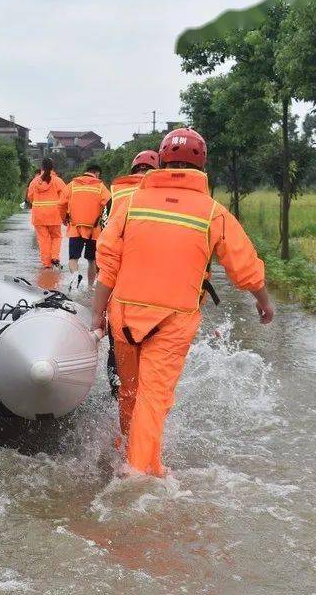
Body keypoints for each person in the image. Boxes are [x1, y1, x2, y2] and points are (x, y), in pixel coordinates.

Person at [92, 128, 274, 477]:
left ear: (161, 161)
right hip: (173, 321)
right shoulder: (213, 213)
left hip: (125, 315)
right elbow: (245, 267)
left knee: (130, 390)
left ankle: (128, 448)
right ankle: (139, 473)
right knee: (153, 397)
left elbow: (107, 267)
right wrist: (264, 302)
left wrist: (96, 317)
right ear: (203, 164)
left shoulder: (128, 204)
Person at [103, 150, 159, 397]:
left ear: (133, 168)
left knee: (118, 337)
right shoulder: (165, 195)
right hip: (156, 282)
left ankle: (118, 387)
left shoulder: (115, 195)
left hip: (119, 281)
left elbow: (103, 241)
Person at [58, 162, 111, 289]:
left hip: (75, 229)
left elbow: (60, 204)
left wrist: (64, 218)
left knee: (73, 259)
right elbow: (110, 204)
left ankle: (75, 277)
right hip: (94, 231)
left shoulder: (72, 185)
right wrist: (106, 223)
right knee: (92, 260)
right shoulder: (100, 187)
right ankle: (90, 287)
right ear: (96, 173)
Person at [26, 158, 67, 269]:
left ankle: (46, 264)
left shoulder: (34, 182)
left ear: (41, 168)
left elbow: (30, 197)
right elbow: (65, 197)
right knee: (56, 237)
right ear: (52, 167)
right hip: (54, 214)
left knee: (43, 239)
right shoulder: (58, 181)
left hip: (38, 215)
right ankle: (55, 257)